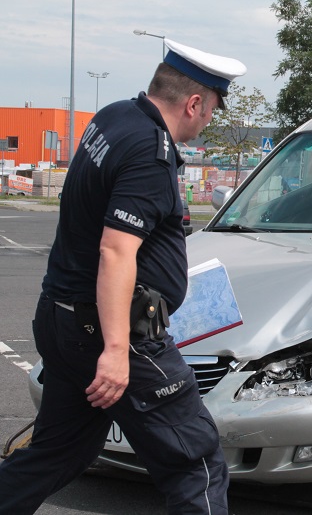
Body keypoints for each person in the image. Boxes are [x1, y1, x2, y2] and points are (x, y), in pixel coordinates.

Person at [0, 39, 246, 515]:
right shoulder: (148, 153)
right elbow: (116, 250)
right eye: (212, 108)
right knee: (196, 464)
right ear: (194, 103)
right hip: (117, 335)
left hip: (63, 319)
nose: (209, 120)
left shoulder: (113, 118)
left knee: (59, 452)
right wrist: (115, 352)